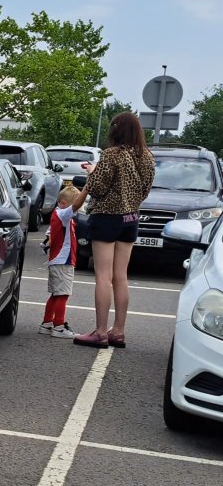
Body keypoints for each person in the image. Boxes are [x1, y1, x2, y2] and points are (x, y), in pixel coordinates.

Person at [73, 112, 155, 348]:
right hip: (131, 218)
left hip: (107, 218)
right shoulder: (146, 156)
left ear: (116, 129)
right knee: (121, 276)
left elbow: (97, 188)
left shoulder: (111, 155)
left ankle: (100, 332)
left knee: (103, 276)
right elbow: (145, 190)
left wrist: (92, 172)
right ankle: (118, 331)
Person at [39, 183, 82, 337]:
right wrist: (87, 188)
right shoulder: (63, 215)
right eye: (73, 207)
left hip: (57, 260)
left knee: (56, 294)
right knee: (63, 294)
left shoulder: (57, 215)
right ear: (63, 203)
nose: (76, 211)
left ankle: (47, 323)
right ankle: (59, 326)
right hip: (63, 260)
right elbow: (76, 205)